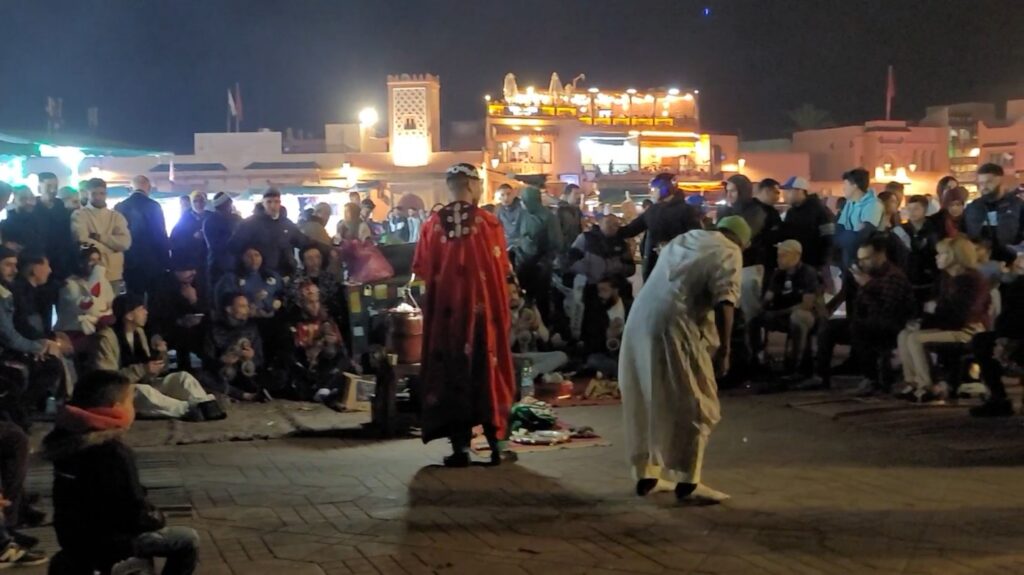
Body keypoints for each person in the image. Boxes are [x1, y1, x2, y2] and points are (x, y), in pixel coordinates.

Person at [620, 216, 749, 504]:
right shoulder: (730, 250)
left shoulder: (686, 238)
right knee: (696, 401)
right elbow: (725, 301)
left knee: (647, 395)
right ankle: (689, 482)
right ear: (742, 240)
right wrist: (726, 350)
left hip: (639, 319)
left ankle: (647, 474)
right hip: (674, 324)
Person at [42, 369, 200, 574]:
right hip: (111, 540)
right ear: (116, 408)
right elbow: (134, 511)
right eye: (129, 402)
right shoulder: (112, 452)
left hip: (71, 537)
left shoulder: (64, 438)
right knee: (187, 540)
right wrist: (157, 517)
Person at [412, 163, 516, 467]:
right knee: (489, 369)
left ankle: (460, 449)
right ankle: (498, 446)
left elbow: (420, 269)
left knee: (452, 373)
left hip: (448, 320)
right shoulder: (489, 223)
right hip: (485, 318)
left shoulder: (432, 225)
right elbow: (503, 269)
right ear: (471, 185)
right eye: (480, 184)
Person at [807, 235, 915, 394]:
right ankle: (821, 375)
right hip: (866, 321)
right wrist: (827, 306)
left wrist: (867, 286)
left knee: (859, 327)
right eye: (860, 259)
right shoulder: (863, 273)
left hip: (890, 324)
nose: (862, 263)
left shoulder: (893, 277)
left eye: (867, 258)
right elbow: (846, 298)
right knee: (830, 325)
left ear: (880, 255)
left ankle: (871, 379)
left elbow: (886, 311)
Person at [90, 294, 224, 421]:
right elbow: (108, 381)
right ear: (129, 315)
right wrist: (143, 369)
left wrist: (161, 356)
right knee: (144, 391)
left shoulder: (139, 332)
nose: (146, 312)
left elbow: (151, 373)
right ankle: (188, 409)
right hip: (120, 394)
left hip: (144, 383)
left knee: (183, 377)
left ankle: (205, 404)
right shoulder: (106, 338)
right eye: (141, 309)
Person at [895, 236, 991, 403]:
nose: (937, 257)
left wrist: (931, 316)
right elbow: (940, 309)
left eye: (943, 254)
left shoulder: (971, 280)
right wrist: (927, 318)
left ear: (956, 256)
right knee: (904, 334)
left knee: (915, 338)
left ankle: (927, 386)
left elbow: (961, 314)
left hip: (969, 330)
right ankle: (913, 381)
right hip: (950, 325)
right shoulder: (946, 278)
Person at [0, 248, 64, 418]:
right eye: (8, 265)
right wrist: (37, 346)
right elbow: (9, 334)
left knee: (51, 363)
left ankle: (22, 411)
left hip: (14, 347)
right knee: (48, 365)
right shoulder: (10, 294)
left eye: (15, 265)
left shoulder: (9, 293)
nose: (15, 270)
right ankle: (19, 412)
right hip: (7, 352)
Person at [749, 240, 819, 380]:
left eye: (783, 255)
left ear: (797, 256)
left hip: (804, 315)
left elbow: (807, 304)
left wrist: (780, 312)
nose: (779, 259)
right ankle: (755, 360)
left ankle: (797, 366)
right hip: (782, 313)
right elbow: (769, 296)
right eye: (778, 255)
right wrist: (759, 310)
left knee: (798, 318)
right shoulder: (778, 274)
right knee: (753, 319)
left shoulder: (807, 273)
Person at [567, 214, 635, 352]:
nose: (613, 228)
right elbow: (571, 259)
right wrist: (587, 269)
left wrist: (616, 269)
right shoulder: (586, 239)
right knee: (592, 320)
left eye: (616, 225)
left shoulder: (621, 244)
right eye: (609, 224)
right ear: (600, 223)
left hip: (615, 289)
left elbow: (630, 267)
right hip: (591, 286)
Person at [617, 173, 702, 279]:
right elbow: (630, 230)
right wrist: (609, 228)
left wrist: (672, 247)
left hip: (679, 270)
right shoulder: (653, 211)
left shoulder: (687, 211)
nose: (652, 192)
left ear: (664, 189)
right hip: (654, 268)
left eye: (654, 189)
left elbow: (697, 239)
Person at [203, 292, 272, 402]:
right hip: (222, 376)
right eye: (242, 306)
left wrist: (251, 358)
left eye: (247, 306)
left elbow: (260, 360)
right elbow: (207, 362)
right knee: (201, 377)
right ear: (229, 309)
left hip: (245, 376)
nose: (247, 309)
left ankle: (239, 393)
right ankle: (244, 395)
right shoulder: (214, 330)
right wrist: (223, 361)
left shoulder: (252, 328)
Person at [227, 188, 306, 279]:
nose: (273, 205)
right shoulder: (249, 224)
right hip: (259, 277)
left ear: (280, 203)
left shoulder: (287, 224)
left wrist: (322, 247)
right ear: (263, 203)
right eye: (269, 202)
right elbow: (234, 246)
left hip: (284, 276)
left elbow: (303, 241)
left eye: (276, 202)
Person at [71, 178, 132, 295]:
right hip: (90, 273)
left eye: (101, 193)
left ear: (106, 194)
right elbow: (82, 240)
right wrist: (113, 248)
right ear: (87, 194)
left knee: (115, 310)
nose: (98, 197)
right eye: (94, 193)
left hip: (114, 274)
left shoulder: (117, 216)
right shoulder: (79, 215)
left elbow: (125, 243)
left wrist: (100, 237)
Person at [511, 186, 563, 323]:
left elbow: (556, 242)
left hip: (541, 265)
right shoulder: (523, 214)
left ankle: (543, 327)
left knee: (541, 299)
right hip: (523, 262)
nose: (523, 203)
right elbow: (518, 234)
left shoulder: (549, 217)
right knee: (522, 297)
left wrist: (545, 260)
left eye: (525, 201)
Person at [116, 176, 170, 300]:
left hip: (129, 262)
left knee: (133, 299)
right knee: (154, 301)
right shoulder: (154, 206)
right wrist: (166, 261)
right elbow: (160, 234)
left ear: (131, 188)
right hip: (152, 262)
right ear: (149, 188)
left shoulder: (120, 207)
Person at [55, 246, 114, 355]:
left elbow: (110, 307)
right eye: (92, 260)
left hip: (98, 332)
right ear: (81, 263)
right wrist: (97, 276)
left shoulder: (104, 282)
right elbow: (88, 307)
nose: (96, 265)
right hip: (74, 334)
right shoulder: (69, 284)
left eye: (98, 260)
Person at [150, 257, 207, 371]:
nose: (193, 273)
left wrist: (194, 301)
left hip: (194, 326)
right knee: (183, 335)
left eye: (194, 269)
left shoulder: (196, 282)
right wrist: (179, 320)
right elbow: (157, 314)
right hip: (168, 327)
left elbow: (207, 308)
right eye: (188, 270)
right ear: (176, 271)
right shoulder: (162, 284)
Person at [965, 163, 1024, 265]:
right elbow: (965, 234)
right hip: (980, 263)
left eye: (989, 182)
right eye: (981, 183)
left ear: (1001, 181)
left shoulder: (1017, 205)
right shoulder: (973, 208)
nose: (984, 187)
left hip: (1012, 263)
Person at [778, 176, 834, 276]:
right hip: (795, 264)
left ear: (800, 191)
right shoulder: (792, 212)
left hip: (814, 264)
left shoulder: (820, 210)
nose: (785, 195)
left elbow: (829, 237)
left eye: (788, 191)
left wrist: (822, 263)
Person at [894, 195, 940, 304]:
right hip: (906, 278)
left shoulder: (934, 230)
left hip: (929, 279)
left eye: (916, 209)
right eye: (909, 209)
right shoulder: (900, 231)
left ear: (925, 210)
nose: (912, 212)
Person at [834, 168, 883, 270]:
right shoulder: (850, 203)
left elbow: (865, 232)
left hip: (865, 256)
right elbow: (840, 227)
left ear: (854, 185)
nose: (843, 188)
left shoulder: (873, 204)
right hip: (847, 254)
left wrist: (848, 236)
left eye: (846, 185)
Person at [169, 191, 208, 292]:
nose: (199, 204)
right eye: (195, 201)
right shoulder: (184, 220)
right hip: (190, 264)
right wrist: (192, 238)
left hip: (207, 262)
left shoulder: (211, 217)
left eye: (201, 201)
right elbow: (175, 241)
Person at [202, 191, 241, 292]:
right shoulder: (211, 221)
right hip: (218, 266)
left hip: (236, 265)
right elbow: (216, 246)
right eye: (229, 203)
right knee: (219, 295)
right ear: (223, 205)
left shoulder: (235, 219)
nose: (231, 206)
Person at [0, 187, 43, 253]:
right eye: (23, 199)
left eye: (31, 198)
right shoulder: (5, 225)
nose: (28, 202)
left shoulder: (41, 220)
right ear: (14, 201)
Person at [556, 183, 584, 262]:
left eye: (580, 194)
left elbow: (579, 229)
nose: (579, 197)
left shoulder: (576, 210)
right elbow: (556, 234)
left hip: (575, 250)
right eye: (576, 194)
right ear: (566, 195)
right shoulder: (559, 211)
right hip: (563, 253)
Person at [496, 183, 523, 254]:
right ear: (499, 197)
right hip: (506, 244)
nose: (506, 198)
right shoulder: (498, 209)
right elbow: (496, 228)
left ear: (513, 194)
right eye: (502, 195)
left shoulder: (522, 207)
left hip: (521, 243)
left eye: (508, 194)